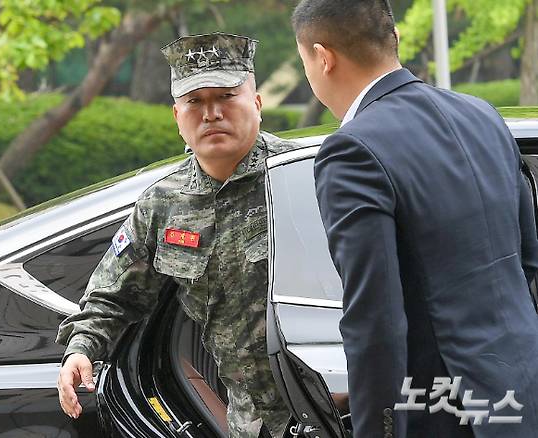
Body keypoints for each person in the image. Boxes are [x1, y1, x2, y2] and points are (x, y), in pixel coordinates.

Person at [292, 1, 538, 438]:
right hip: (521, 395)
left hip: (448, 415)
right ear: (396, 38)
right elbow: (527, 263)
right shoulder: (482, 114)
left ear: (322, 57)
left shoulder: (352, 151)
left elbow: (375, 323)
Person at [55, 32, 298, 438]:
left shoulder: (305, 179)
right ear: (176, 116)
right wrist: (81, 349)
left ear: (256, 103)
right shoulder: (163, 205)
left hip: (338, 411)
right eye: (195, 102)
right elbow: (112, 295)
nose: (211, 113)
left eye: (225, 96)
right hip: (250, 424)